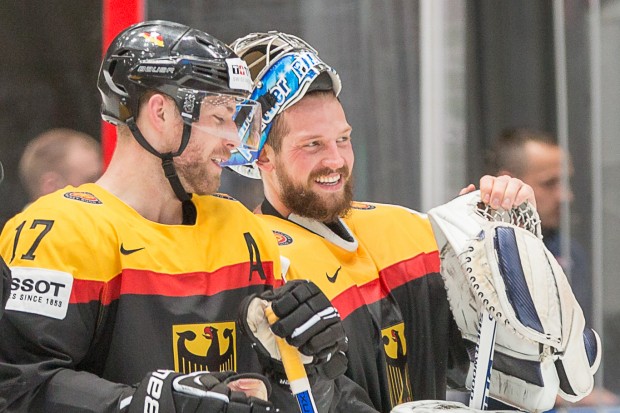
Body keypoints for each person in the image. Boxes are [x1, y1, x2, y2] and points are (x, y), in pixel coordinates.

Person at [226, 31, 600, 413]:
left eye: (343, 138)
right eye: (313, 144)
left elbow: (487, 368)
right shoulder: (256, 263)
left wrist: (503, 248)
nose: (336, 160)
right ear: (263, 157)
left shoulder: (406, 229)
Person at [0, 21, 356, 413]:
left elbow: (281, 397)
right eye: (220, 118)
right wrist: (144, 404)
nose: (234, 140)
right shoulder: (58, 232)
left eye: (238, 119)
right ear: (161, 112)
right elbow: (20, 387)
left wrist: (307, 374)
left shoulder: (242, 228)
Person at [486, 127, 619, 407]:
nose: (565, 196)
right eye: (550, 183)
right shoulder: (481, 247)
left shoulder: (570, 253)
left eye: (566, 182)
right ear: (509, 182)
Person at [18, 128, 103, 205]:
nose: (104, 186)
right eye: (91, 180)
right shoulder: (72, 221)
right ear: (52, 187)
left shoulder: (17, 221)